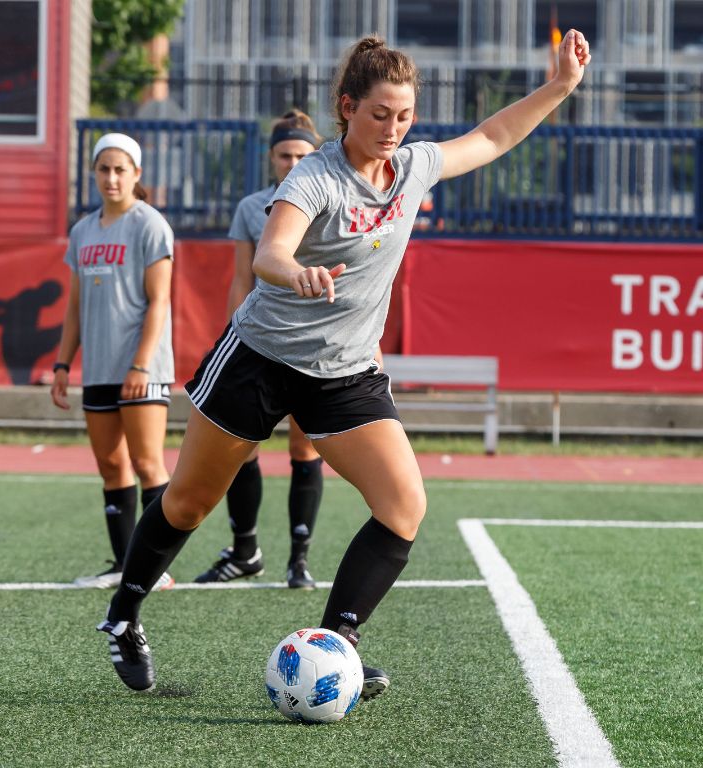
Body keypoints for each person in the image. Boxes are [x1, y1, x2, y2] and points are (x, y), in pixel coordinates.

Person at [95, 31, 591, 697]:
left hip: (346, 371)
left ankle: (336, 645)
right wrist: (293, 273)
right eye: (380, 114)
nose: (393, 129)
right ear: (347, 107)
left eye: (405, 116)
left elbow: (494, 137)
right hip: (259, 359)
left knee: (403, 505)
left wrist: (559, 85)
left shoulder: (412, 168)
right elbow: (272, 252)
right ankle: (123, 617)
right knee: (186, 503)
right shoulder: (315, 175)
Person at [193, 110, 325, 590]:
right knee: (240, 446)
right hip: (262, 345)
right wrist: (231, 335)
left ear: (317, 155)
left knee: (304, 445)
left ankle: (300, 560)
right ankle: (246, 549)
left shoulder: (330, 200)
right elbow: (241, 280)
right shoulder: (252, 208)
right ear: (271, 158)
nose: (293, 163)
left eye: (303, 155)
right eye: (286, 155)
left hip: (315, 346)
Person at [51, 133, 175, 592]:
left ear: (136, 174)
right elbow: (75, 306)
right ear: (94, 174)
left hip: (142, 368)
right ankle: (125, 565)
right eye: (103, 169)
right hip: (99, 367)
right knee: (110, 464)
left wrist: (141, 366)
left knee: (147, 462)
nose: (111, 177)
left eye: (121, 169)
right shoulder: (82, 232)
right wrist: (64, 363)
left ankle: (156, 566)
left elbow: (159, 301)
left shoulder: (150, 224)